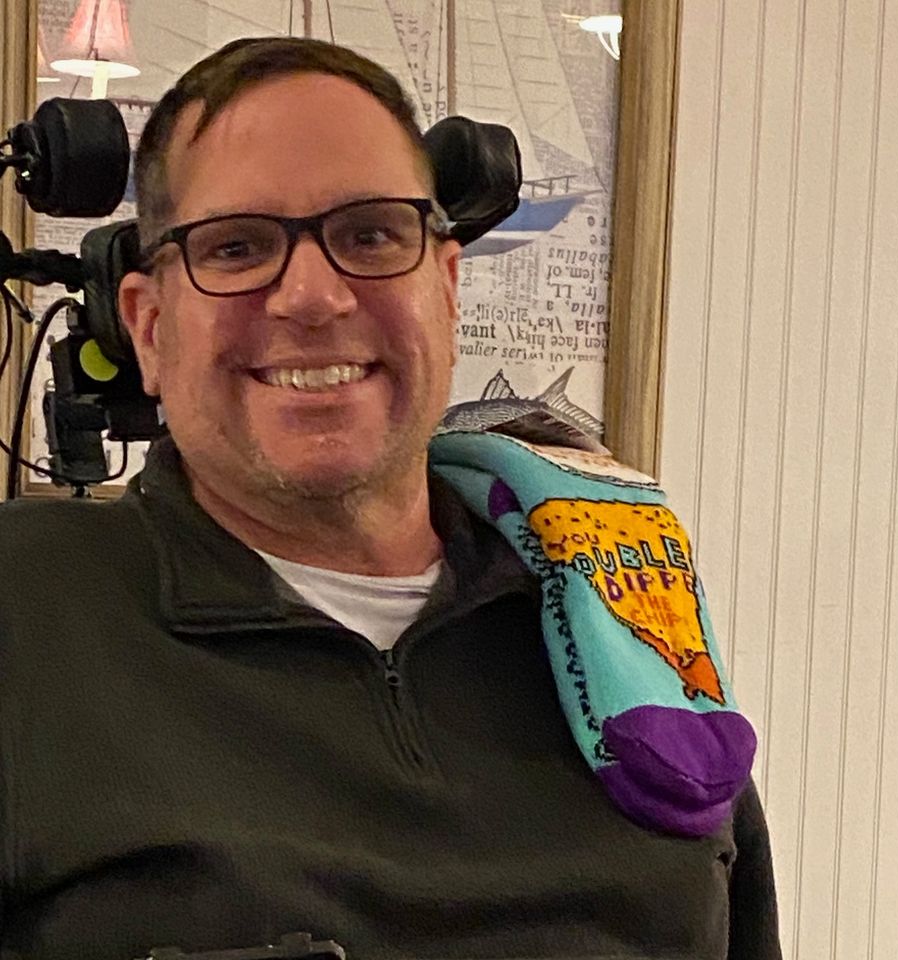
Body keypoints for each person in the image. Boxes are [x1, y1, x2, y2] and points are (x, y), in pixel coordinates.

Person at [0, 37, 781, 960]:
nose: (313, 296)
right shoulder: (28, 609)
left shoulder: (617, 602)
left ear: (446, 289)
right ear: (149, 326)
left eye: (370, 234)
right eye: (237, 246)